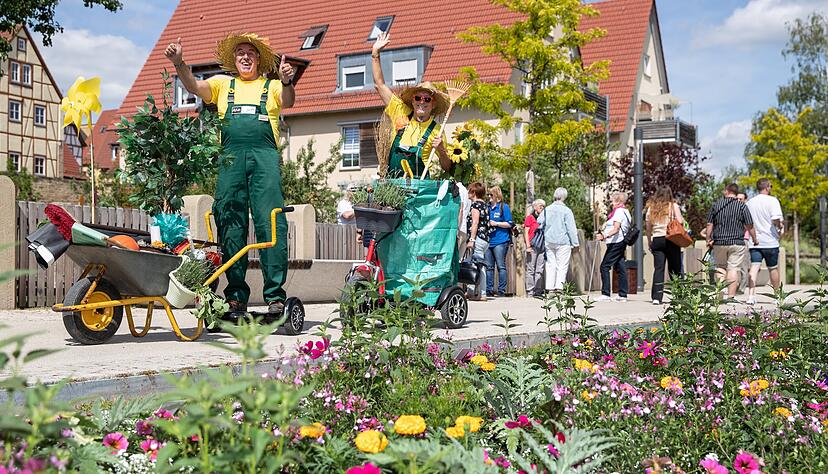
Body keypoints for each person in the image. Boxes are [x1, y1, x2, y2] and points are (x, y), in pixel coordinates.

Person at [165, 33, 295, 317]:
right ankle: (235, 296)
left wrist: (287, 81)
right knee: (230, 222)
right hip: (231, 160)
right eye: (240, 54)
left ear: (259, 60)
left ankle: (275, 296)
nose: (245, 57)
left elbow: (289, 101)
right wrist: (179, 63)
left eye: (251, 53)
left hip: (265, 161)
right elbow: (194, 85)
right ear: (234, 61)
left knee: (271, 223)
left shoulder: (271, 86)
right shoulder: (223, 85)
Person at [371, 32, 451, 177]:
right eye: (418, 97)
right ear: (412, 100)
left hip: (418, 189)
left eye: (427, 99)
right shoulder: (400, 111)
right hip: (393, 187)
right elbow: (379, 85)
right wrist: (375, 54)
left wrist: (441, 150)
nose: (422, 102)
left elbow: (447, 167)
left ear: (433, 105)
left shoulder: (437, 130)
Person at [705, 183, 758, 299]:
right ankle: (730, 296)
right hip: (736, 242)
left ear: (726, 191)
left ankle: (719, 294)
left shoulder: (716, 205)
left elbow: (709, 224)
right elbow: (749, 224)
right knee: (733, 268)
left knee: (720, 267)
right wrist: (754, 239)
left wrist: (708, 238)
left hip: (719, 242)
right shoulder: (742, 206)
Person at [746, 178, 784, 304]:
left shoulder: (750, 202)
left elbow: (746, 222)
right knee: (773, 268)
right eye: (771, 186)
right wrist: (780, 226)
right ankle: (777, 297)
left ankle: (751, 296)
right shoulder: (773, 201)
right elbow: (775, 219)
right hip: (770, 241)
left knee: (754, 267)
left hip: (755, 241)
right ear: (767, 187)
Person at [645, 186, 684, 305]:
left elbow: (648, 227)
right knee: (675, 269)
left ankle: (656, 297)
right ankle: (679, 296)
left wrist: (649, 241)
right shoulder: (673, 206)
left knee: (659, 269)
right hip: (671, 238)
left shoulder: (651, 208)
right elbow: (680, 222)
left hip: (657, 239)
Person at [537, 188, 579, 293]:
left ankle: (550, 288)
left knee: (551, 264)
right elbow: (571, 229)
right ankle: (559, 288)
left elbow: (539, 222)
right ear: (564, 197)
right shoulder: (567, 211)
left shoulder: (547, 209)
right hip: (563, 241)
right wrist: (575, 243)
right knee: (562, 265)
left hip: (549, 240)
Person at [596, 192, 631, 302]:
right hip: (618, 242)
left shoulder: (619, 212)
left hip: (616, 242)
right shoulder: (625, 212)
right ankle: (623, 294)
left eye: (612, 200)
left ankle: (606, 294)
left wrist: (604, 235)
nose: (611, 202)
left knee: (604, 266)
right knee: (620, 267)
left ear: (618, 201)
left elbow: (616, 228)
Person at [486, 186, 514, 297]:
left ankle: (501, 290)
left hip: (501, 241)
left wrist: (496, 223)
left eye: (491, 195)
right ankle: (489, 290)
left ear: (497, 195)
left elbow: (510, 223)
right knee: (489, 267)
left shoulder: (503, 207)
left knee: (501, 266)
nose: (489, 197)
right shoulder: (487, 207)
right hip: (488, 241)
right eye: (488, 195)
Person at [465, 182, 489, 300]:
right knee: (475, 264)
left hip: (478, 238)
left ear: (473, 192)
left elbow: (475, 223)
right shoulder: (485, 205)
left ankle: (482, 294)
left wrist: (472, 239)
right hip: (485, 239)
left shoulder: (475, 206)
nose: (468, 193)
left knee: (478, 265)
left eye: (469, 190)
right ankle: (470, 291)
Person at [523, 199, 546, 297]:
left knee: (540, 270)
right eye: (540, 206)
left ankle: (538, 290)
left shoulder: (545, 218)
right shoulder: (530, 218)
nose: (542, 208)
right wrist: (528, 246)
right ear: (535, 207)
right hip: (532, 245)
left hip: (542, 246)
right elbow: (526, 232)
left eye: (543, 206)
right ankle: (530, 291)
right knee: (531, 269)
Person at [735, 192, 751, 294]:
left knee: (744, 266)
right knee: (734, 265)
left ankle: (742, 288)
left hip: (744, 239)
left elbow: (748, 225)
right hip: (734, 239)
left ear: (745, 200)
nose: (738, 201)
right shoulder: (734, 210)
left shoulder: (746, 210)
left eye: (741, 199)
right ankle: (735, 286)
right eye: (737, 199)